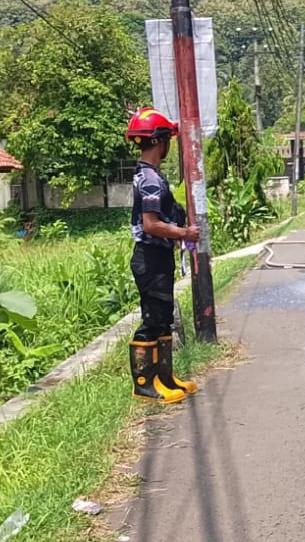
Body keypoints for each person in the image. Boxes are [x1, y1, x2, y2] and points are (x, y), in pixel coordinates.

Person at [125, 107, 201, 404]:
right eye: (168, 136)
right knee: (152, 319)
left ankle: (165, 378)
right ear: (159, 141)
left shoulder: (149, 175)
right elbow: (151, 224)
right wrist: (186, 234)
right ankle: (144, 384)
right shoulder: (151, 180)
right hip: (150, 257)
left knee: (164, 316)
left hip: (157, 256)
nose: (170, 143)